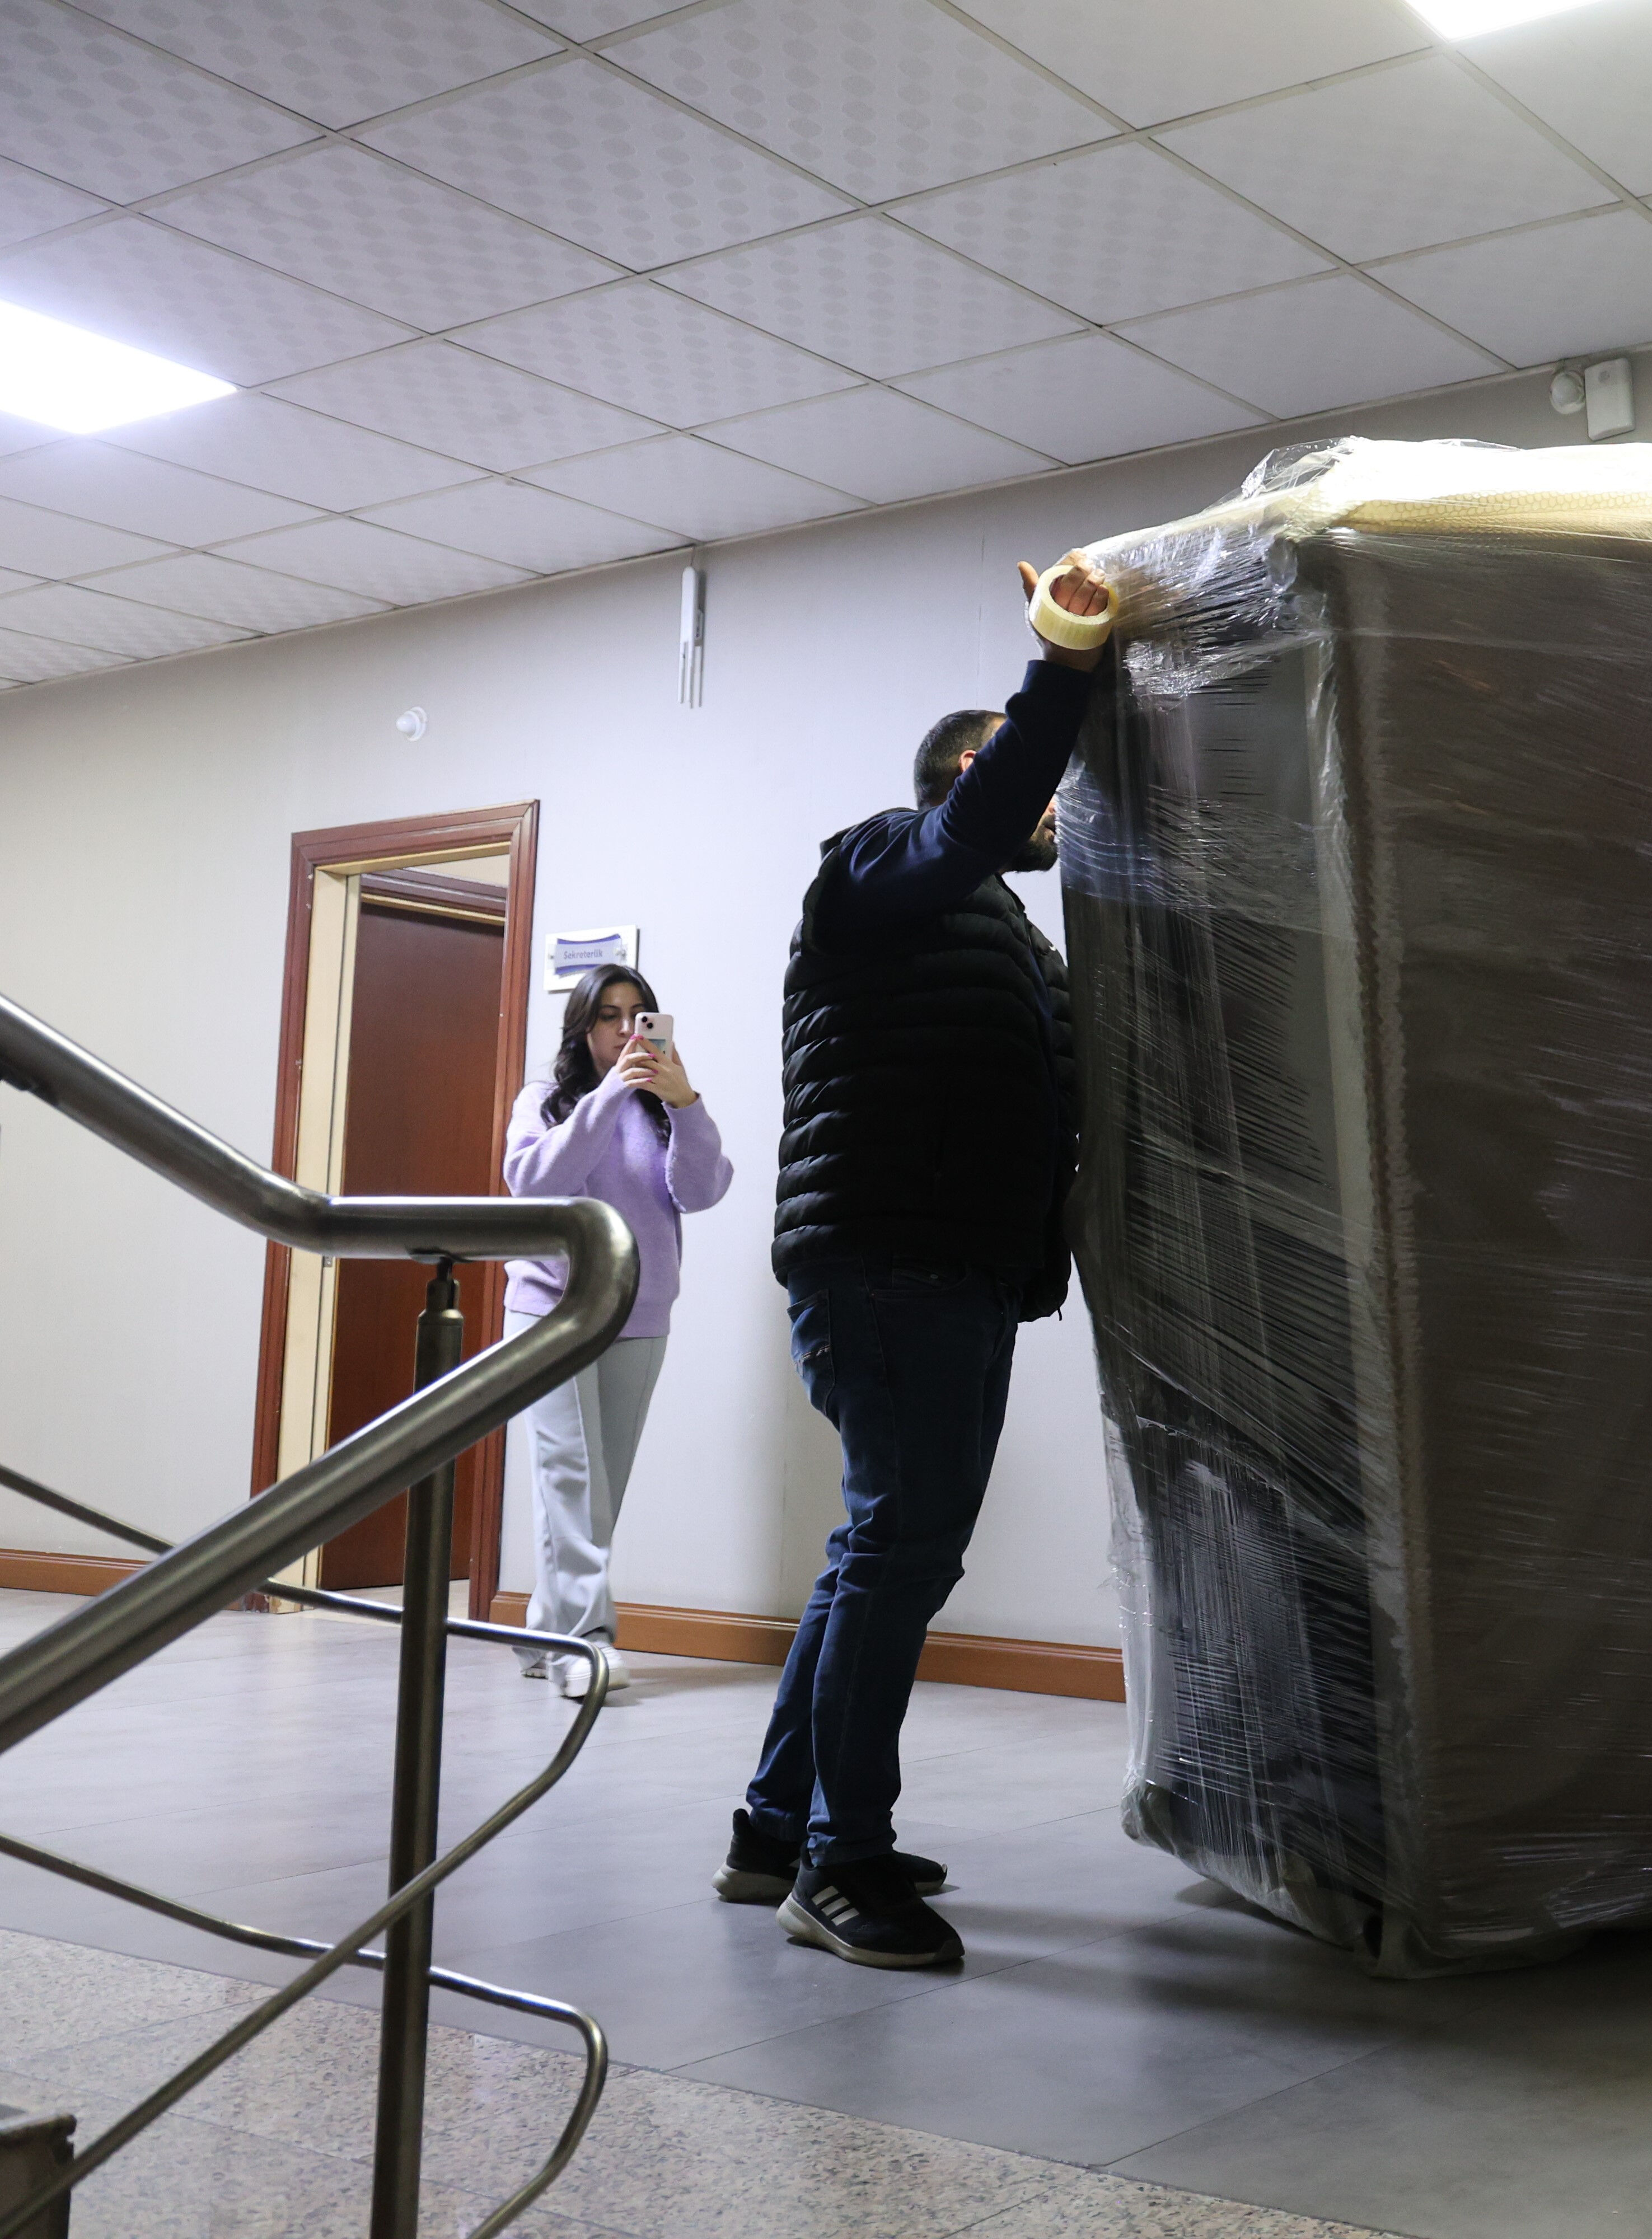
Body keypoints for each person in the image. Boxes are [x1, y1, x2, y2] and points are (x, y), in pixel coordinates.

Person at [714, 551, 1131, 1969]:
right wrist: (1064, 676)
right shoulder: (882, 862)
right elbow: (984, 815)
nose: (1059, 819)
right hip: (893, 1265)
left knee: (872, 1551)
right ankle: (843, 1866)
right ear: (973, 772)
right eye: (1037, 790)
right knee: (901, 1547)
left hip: (944, 1271)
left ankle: (777, 1819)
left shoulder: (999, 931)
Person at [500, 964, 731, 1700]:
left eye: (639, 1015)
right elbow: (533, 1182)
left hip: (640, 1315)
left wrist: (686, 1103)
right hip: (553, 1315)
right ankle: (583, 1645)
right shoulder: (548, 1101)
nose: (625, 1029)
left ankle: (546, 1625)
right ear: (583, 1026)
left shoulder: (665, 1108)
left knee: (601, 1490)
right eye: (608, 1015)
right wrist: (605, 1101)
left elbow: (703, 1191)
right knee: (571, 1479)